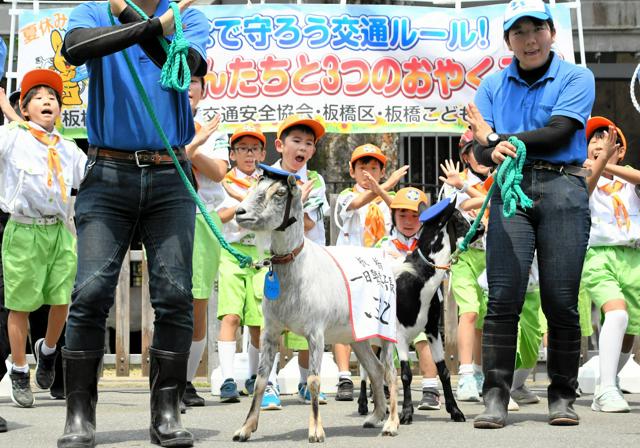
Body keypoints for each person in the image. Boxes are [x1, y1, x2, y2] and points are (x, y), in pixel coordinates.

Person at [59, 0, 208, 446]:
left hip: (170, 173)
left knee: (176, 296)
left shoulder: (188, 16)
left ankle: (166, 412)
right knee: (89, 293)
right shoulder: (91, 9)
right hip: (107, 172)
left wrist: (138, 20)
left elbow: (183, 63)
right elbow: (75, 49)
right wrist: (147, 24)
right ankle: (79, 417)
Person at [466, 0, 595, 428]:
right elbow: (478, 149)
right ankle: (495, 397)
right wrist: (487, 145)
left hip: (563, 187)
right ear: (508, 41)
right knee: (502, 298)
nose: (529, 39)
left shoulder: (578, 76)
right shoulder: (490, 86)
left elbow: (560, 131)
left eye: (536, 28)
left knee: (561, 300)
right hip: (510, 189)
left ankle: (562, 397)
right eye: (518, 32)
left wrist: (496, 136)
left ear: (551, 32)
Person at [0, 69, 86, 410]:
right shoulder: (11, 138)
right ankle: (19, 369)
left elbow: (91, 177)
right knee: (20, 304)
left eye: (52, 98)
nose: (47, 101)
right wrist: (11, 121)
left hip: (61, 229)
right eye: (37, 97)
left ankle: (48, 351)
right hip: (23, 229)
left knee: (63, 298)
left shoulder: (68, 148)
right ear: (24, 108)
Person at [332, 143, 406, 401]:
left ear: (383, 171)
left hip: (377, 269)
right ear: (352, 171)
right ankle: (344, 377)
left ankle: (377, 376)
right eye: (362, 168)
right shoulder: (345, 195)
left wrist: (387, 190)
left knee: (377, 321)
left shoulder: (389, 198)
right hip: (348, 266)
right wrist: (384, 187)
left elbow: (400, 219)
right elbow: (359, 202)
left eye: (374, 168)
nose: (368, 173)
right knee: (342, 321)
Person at [265, 114, 330, 408]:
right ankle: (268, 385)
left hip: (309, 265)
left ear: (313, 151)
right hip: (274, 263)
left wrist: (296, 202)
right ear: (280, 145)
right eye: (296, 141)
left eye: (308, 143)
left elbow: (307, 225)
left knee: (310, 324)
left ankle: (307, 383)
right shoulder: (266, 179)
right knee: (269, 325)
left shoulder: (315, 181)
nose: (302, 147)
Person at [582, 117, 639, 413]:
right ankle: (605, 388)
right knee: (616, 315)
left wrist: (607, 163)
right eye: (593, 139)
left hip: (633, 257)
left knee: (629, 326)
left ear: (620, 150)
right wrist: (600, 163)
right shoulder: (581, 174)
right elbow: (585, 189)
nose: (598, 144)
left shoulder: (628, 177)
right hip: (598, 255)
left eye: (606, 139)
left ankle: (610, 381)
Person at [182, 75, 229, 408]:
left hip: (203, 218)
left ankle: (183, 382)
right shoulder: (155, 119)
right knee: (171, 304)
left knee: (198, 303)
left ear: (202, 89)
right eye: (181, 77)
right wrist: (193, 145)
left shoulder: (213, 125)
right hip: (164, 214)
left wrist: (191, 146)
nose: (187, 86)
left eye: (194, 80)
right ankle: (166, 381)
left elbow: (218, 173)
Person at [214, 124, 268, 404]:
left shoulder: (268, 181)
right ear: (232, 154)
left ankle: (254, 376)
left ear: (262, 152)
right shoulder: (223, 180)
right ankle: (227, 379)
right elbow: (218, 217)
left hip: (260, 254)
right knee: (231, 316)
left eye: (255, 148)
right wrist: (242, 202)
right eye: (243, 149)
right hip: (232, 252)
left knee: (258, 320)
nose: (249, 154)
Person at [377, 187, 444, 410]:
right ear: (393, 216)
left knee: (424, 338)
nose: (408, 221)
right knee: (387, 341)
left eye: (415, 216)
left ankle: (430, 387)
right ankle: (385, 385)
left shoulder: (430, 244)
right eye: (402, 215)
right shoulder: (384, 245)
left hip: (425, 305)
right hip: (394, 307)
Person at [439, 130, 492, 402]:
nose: (481, 155)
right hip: (464, 256)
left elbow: (488, 202)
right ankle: (466, 373)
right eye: (475, 150)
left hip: (492, 255)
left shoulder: (500, 177)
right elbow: (454, 211)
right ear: (465, 156)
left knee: (483, 318)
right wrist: (461, 187)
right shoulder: (453, 182)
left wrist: (469, 192)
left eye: (485, 148)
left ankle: (480, 371)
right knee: (469, 312)